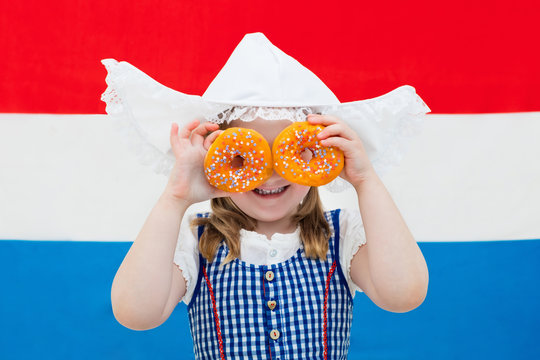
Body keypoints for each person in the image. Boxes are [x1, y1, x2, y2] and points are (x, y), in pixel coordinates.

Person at [105, 32, 430, 359]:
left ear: (321, 155)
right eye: (245, 155)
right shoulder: (198, 241)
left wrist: (365, 180)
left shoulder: (340, 234)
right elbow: (136, 314)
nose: (271, 172)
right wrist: (175, 197)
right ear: (215, 157)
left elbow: (403, 295)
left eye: (293, 152)